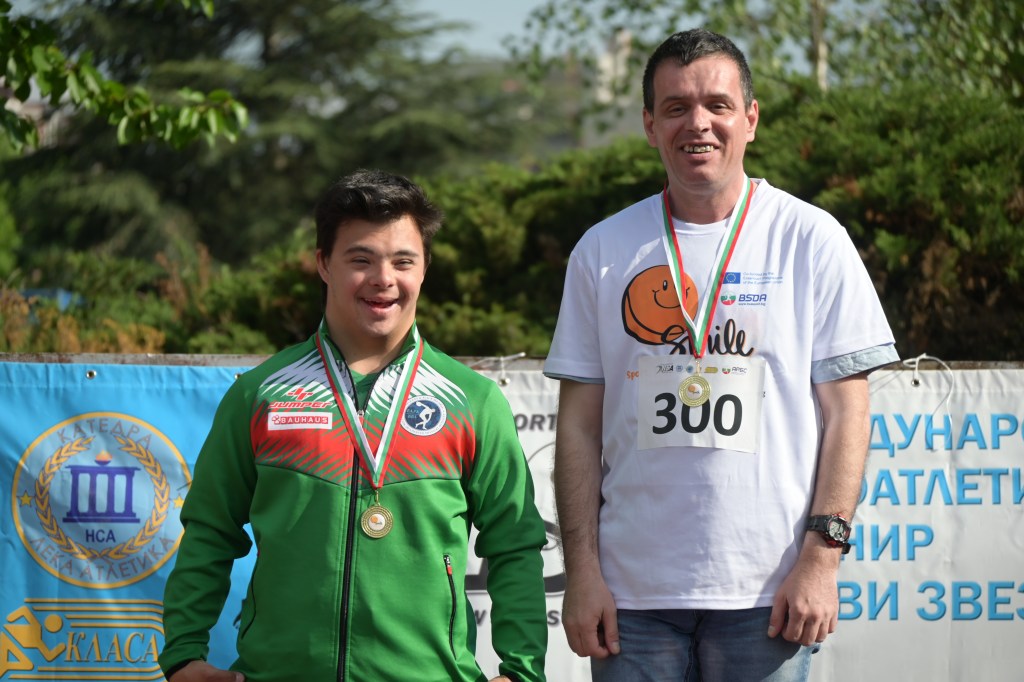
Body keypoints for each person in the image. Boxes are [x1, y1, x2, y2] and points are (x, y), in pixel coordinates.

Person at [543, 28, 898, 681]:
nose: (697, 123)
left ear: (751, 119)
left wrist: (821, 559)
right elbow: (579, 426)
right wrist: (583, 573)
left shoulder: (811, 238)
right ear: (650, 125)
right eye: (676, 107)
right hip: (631, 601)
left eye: (717, 105)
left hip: (768, 594)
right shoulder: (603, 249)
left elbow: (848, 414)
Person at [160, 169, 548, 682]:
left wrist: (522, 670)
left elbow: (514, 542)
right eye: (360, 260)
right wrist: (183, 654)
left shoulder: (472, 401)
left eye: (403, 261)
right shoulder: (260, 395)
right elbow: (210, 530)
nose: (383, 279)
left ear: (425, 268)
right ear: (323, 263)